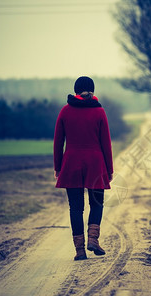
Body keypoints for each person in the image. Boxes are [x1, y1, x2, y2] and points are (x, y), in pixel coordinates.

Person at [54, 76, 113, 261]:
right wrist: (109, 170)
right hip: (96, 164)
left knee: (75, 208)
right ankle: (93, 240)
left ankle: (80, 250)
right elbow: (106, 144)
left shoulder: (65, 111)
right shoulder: (99, 111)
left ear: (75, 90)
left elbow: (58, 142)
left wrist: (58, 167)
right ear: (92, 91)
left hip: (71, 164)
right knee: (97, 203)